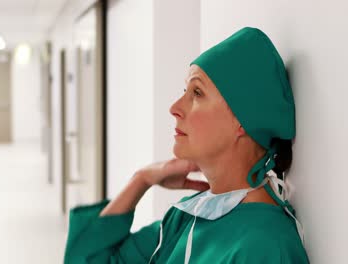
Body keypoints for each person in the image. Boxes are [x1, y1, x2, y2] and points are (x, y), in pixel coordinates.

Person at [63, 27, 310, 263]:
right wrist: (142, 180)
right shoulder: (188, 217)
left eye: (197, 93)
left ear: (244, 120)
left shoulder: (265, 247)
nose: (175, 108)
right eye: (185, 91)